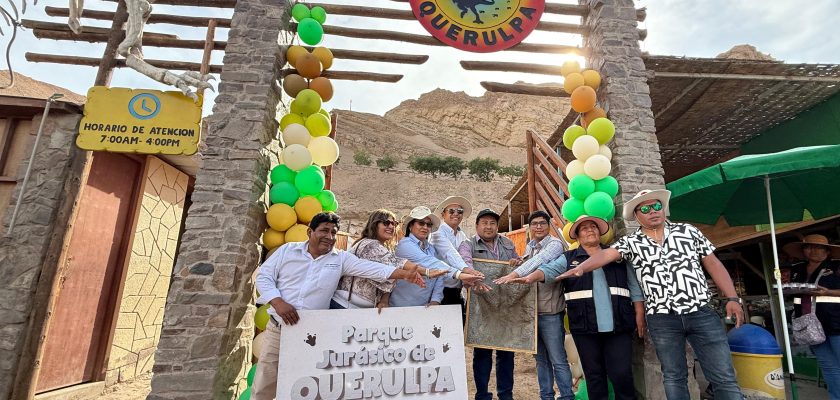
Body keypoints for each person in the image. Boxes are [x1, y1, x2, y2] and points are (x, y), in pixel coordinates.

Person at [558, 189, 745, 400]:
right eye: (645, 208)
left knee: (723, 376)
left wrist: (732, 297)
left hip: (701, 312)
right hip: (662, 318)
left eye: (656, 206)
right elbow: (606, 255)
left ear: (663, 208)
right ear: (637, 215)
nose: (653, 211)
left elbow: (712, 263)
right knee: (674, 377)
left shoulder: (688, 231)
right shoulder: (631, 242)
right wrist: (582, 267)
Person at [252, 212, 426, 400]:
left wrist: (404, 274)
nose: (329, 237)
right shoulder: (287, 250)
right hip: (279, 329)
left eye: (334, 233)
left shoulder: (340, 259)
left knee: (309, 386)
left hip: (314, 335)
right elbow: (263, 276)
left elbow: (373, 269)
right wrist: (278, 302)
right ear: (310, 231)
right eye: (324, 231)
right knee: (265, 384)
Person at [506, 215, 644, 400]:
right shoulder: (568, 258)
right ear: (577, 236)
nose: (590, 230)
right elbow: (549, 270)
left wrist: (639, 312)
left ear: (600, 232)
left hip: (618, 325)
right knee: (594, 376)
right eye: (584, 228)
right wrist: (531, 276)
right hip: (585, 327)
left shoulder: (616, 255)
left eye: (593, 226)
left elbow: (634, 285)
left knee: (621, 375)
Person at [494, 210, 574, 400]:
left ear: (548, 226)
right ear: (529, 228)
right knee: (540, 360)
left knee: (558, 360)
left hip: (550, 311)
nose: (538, 227)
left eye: (542, 223)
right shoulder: (529, 247)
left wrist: (513, 275)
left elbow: (539, 263)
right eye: (534, 224)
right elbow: (527, 263)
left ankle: (566, 396)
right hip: (531, 313)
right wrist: (516, 262)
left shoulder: (555, 244)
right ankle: (546, 396)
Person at [330, 209, 447, 311]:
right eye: (386, 223)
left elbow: (389, 275)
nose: (391, 227)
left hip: (363, 310)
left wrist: (384, 300)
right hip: (344, 306)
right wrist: (427, 272)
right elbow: (396, 263)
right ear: (374, 224)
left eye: (393, 223)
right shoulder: (369, 244)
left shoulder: (386, 248)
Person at [458, 209, 518, 400]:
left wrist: (516, 262)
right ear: (477, 226)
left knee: (506, 353)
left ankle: (505, 394)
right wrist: (474, 279)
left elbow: (516, 265)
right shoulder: (467, 245)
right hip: (480, 306)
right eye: (484, 222)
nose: (488, 226)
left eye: (492, 223)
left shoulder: (508, 244)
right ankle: (482, 394)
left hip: (505, 306)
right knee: (482, 353)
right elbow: (464, 263)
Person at [784, 234, 840, 399]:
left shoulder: (836, 266)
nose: (812, 251)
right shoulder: (798, 268)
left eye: (818, 247)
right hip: (808, 323)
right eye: (808, 247)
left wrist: (828, 292)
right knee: (827, 365)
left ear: (827, 251)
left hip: (835, 321)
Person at [393, 206, 484, 307]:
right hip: (402, 304)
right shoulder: (405, 245)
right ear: (410, 226)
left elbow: (439, 276)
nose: (425, 227)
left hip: (425, 305)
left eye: (428, 224)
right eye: (421, 223)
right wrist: (460, 274)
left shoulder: (430, 248)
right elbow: (431, 262)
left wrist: (435, 300)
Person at [430, 196, 485, 318]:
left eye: (459, 211)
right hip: (438, 289)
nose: (456, 214)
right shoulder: (436, 233)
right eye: (451, 211)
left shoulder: (462, 235)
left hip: (456, 289)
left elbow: (469, 255)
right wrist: (468, 270)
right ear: (443, 214)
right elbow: (450, 254)